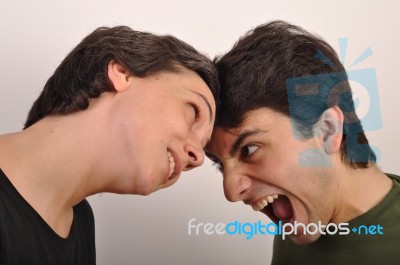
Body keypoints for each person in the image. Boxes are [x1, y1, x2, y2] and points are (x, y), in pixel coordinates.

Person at [0, 26, 219, 265]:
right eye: (193, 111)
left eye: (203, 146)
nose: (196, 158)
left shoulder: (82, 221)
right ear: (122, 73)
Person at [206, 20, 399, 264]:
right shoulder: (299, 219)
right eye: (220, 165)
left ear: (328, 130)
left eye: (249, 149)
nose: (231, 192)